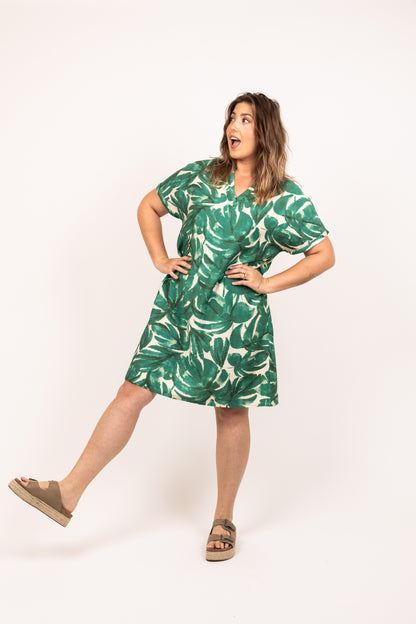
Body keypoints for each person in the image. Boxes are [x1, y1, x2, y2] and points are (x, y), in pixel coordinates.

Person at [8, 92, 335, 562]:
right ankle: (67, 492)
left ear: (266, 131)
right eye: (232, 118)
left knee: (230, 412)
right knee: (131, 392)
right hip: (178, 308)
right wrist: (160, 258)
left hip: (235, 323)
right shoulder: (203, 176)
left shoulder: (284, 196)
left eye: (246, 119)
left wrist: (267, 282)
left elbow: (323, 253)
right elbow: (148, 206)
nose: (234, 127)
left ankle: (223, 519)